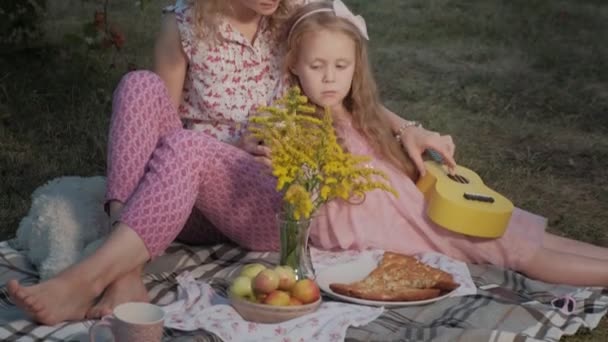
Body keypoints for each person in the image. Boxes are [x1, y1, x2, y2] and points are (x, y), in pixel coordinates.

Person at [7, 0, 456, 325]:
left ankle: (84, 280)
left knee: (189, 147)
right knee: (139, 86)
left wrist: (406, 127)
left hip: (257, 201)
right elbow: (154, 128)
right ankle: (125, 272)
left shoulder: (291, 17)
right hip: (176, 201)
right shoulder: (182, 21)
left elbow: (349, 88)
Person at [280, 1, 608, 288]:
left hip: (407, 206)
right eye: (316, 66)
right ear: (294, 64)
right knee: (507, 246)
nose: (329, 79)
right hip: (375, 223)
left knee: (514, 228)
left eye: (341, 66)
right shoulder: (299, 122)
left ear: (356, 66)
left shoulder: (358, 110)